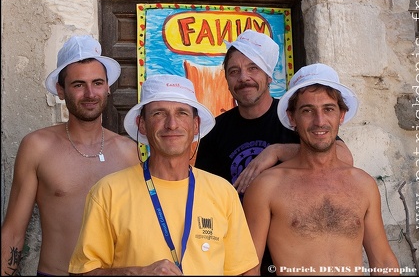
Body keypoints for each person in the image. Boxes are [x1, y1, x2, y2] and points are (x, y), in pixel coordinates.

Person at [194, 29, 353, 275]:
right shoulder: (215, 132)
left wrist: (277, 151)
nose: (243, 77)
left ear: (269, 76)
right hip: (238, 253)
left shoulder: (296, 116)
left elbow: (344, 157)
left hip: (296, 252)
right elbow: (205, 196)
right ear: (226, 79)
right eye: (234, 71)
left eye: (253, 68)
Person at [68, 74, 259, 275]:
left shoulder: (223, 192)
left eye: (182, 113)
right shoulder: (108, 192)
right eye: (159, 113)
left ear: (195, 125)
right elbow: (80, 273)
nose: (172, 124)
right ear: (142, 125)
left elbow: (244, 271)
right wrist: (136, 273)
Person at [243, 63, 400, 276]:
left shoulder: (363, 184)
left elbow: (383, 262)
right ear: (292, 118)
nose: (319, 121)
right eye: (307, 111)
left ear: (341, 115)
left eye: (328, 109)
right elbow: (248, 268)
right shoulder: (267, 186)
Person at [1, 35, 140, 276]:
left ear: (108, 86)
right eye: (78, 84)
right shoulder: (37, 147)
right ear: (61, 90)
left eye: (97, 83)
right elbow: (13, 232)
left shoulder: (129, 151)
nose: (90, 93)